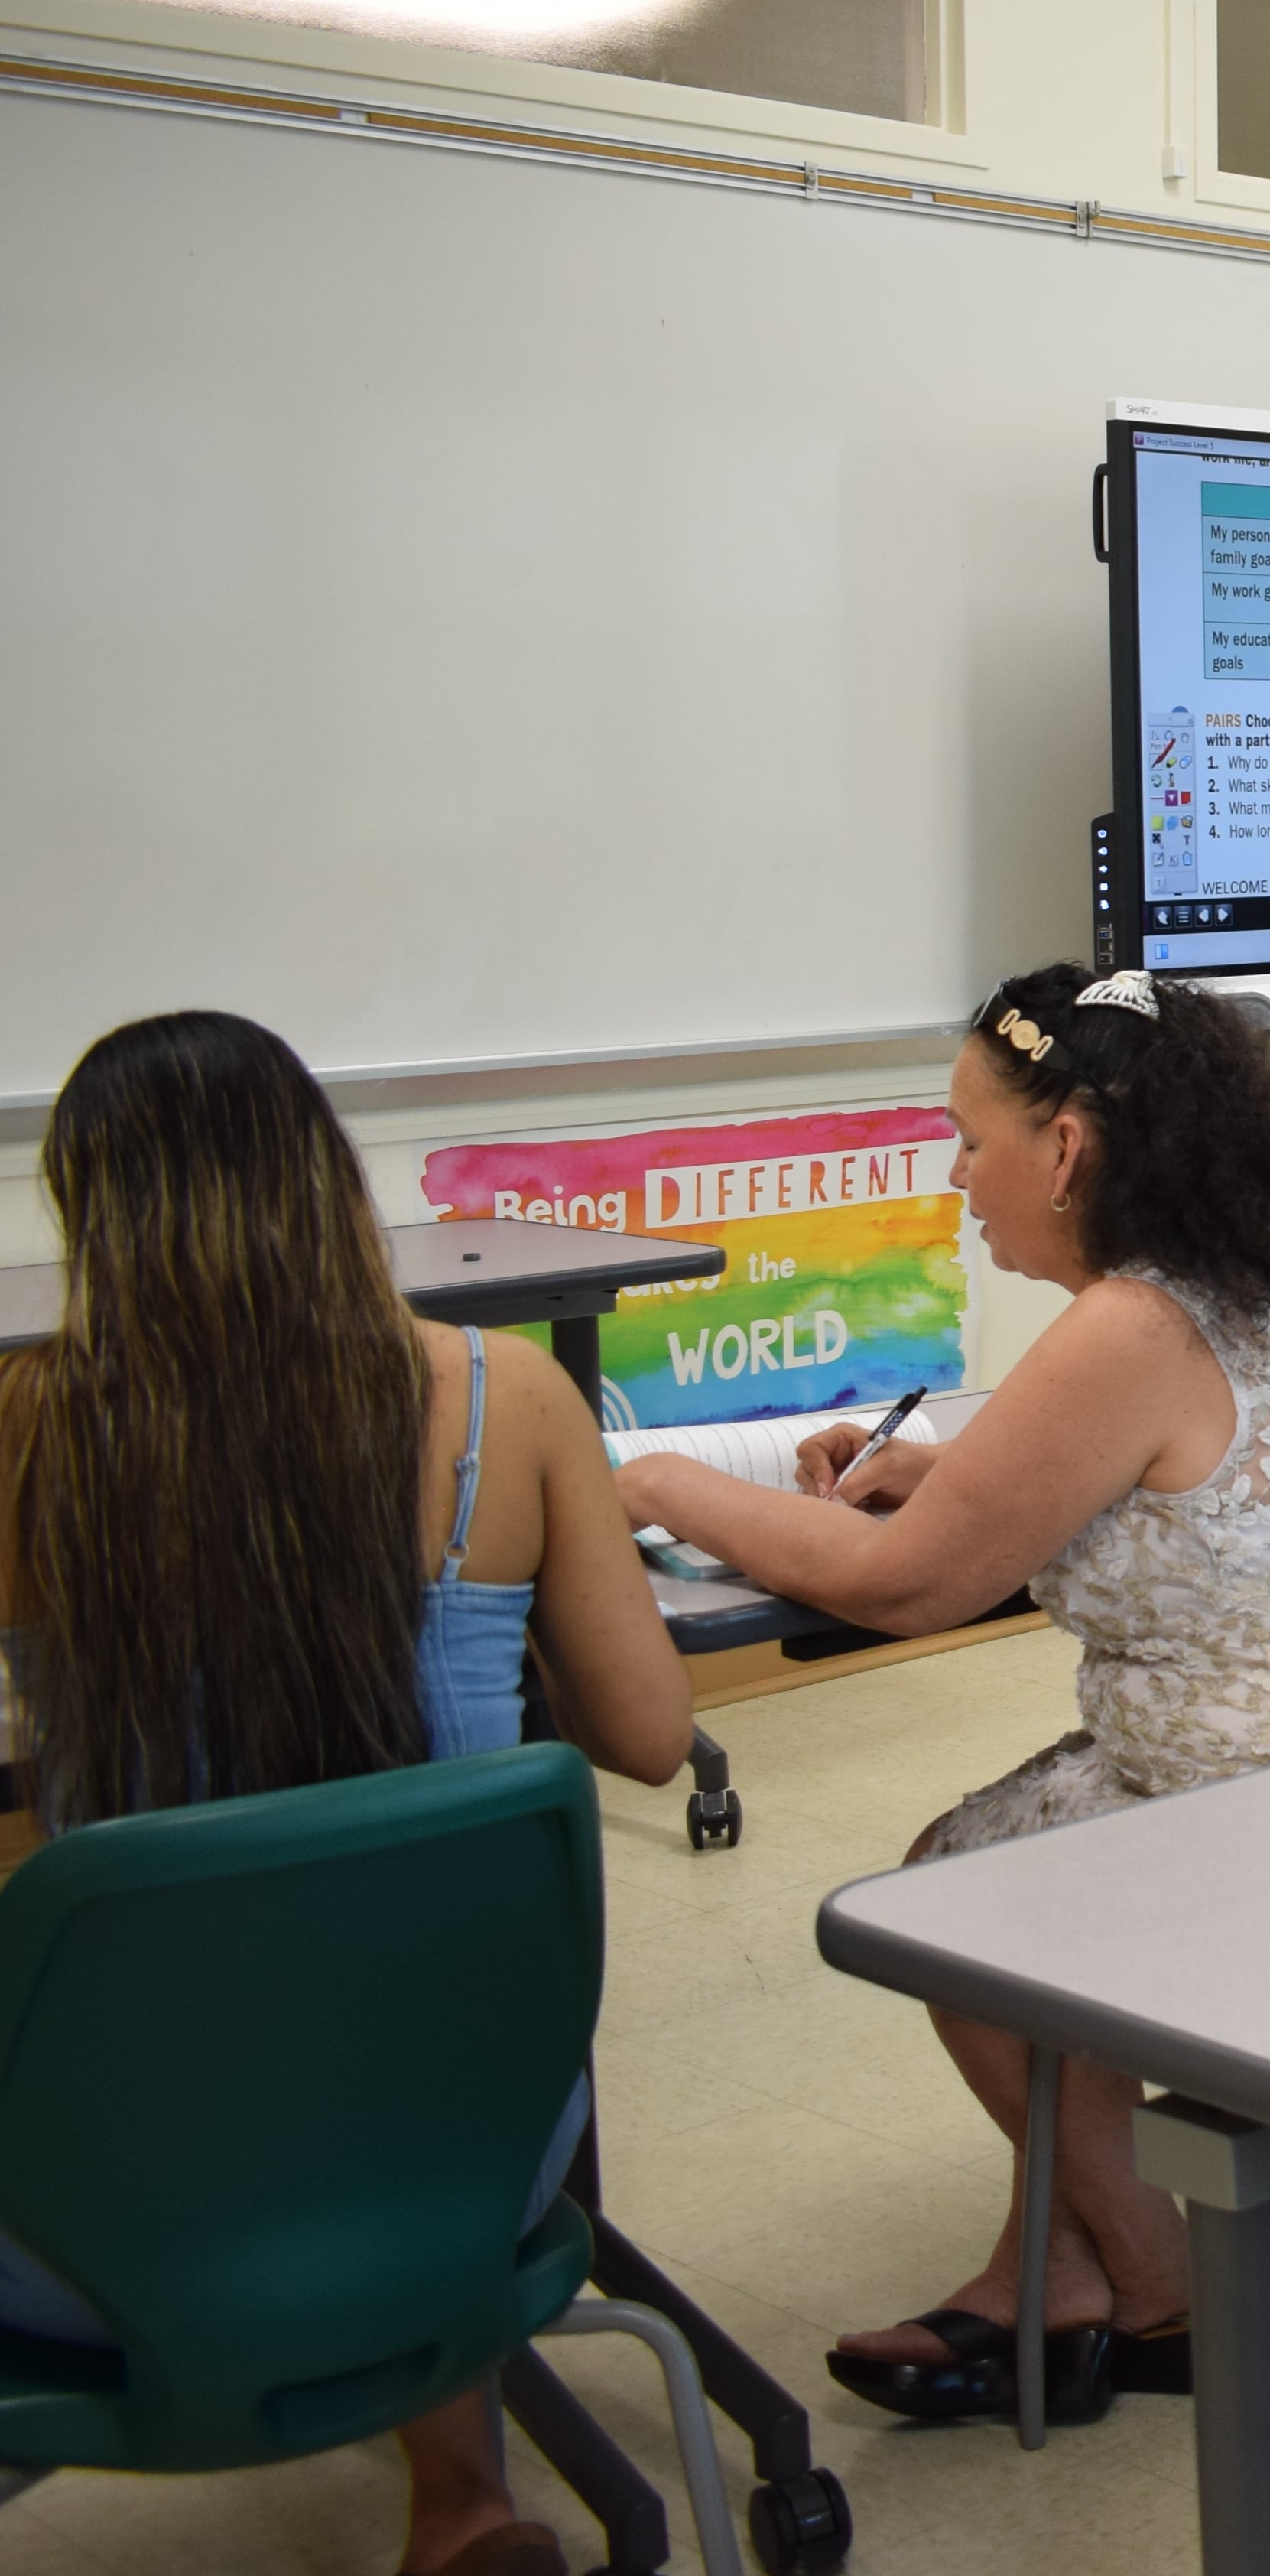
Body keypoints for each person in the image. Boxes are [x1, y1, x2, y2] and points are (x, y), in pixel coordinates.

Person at [616, 964, 1270, 2428]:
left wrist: (652, 1477)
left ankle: (1155, 2283)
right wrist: (965, 1479)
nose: (957, 1176)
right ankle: (1052, 2268)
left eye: (969, 1137)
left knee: (954, 1901)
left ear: (1067, 1147)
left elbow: (901, 1588)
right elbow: (1189, 1488)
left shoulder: (1130, 1325)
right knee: (1006, 1841)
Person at [0, 1010, 696, 2576]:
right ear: (325, 1176)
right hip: (469, 2166)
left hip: (106, 2212)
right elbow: (653, 1734)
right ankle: (463, 2503)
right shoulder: (507, 1398)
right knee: (383, 1997)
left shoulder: (41, 1432)